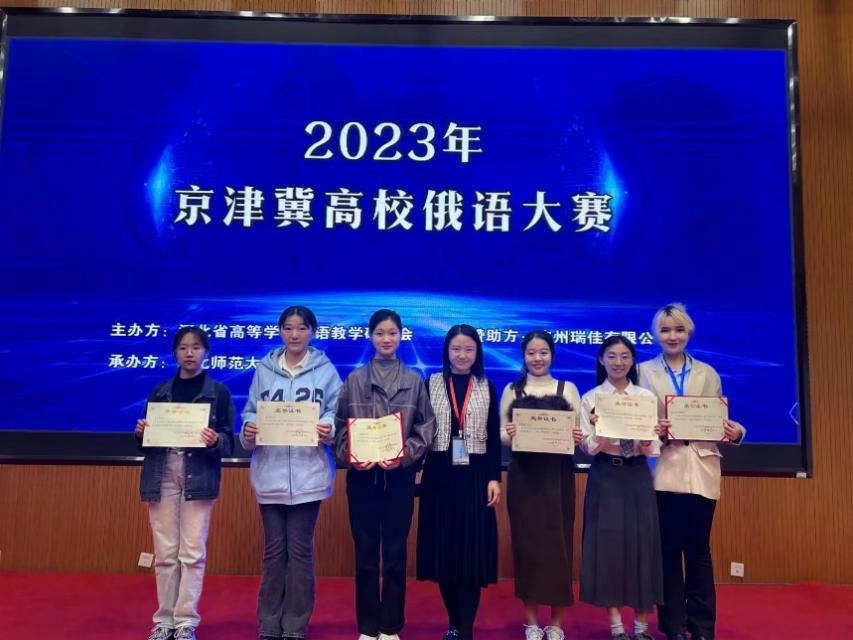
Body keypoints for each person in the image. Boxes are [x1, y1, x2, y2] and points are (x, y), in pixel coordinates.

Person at [637, 303, 746, 640]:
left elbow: (717, 420)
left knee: (698, 550)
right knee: (668, 550)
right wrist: (654, 429)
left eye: (679, 329)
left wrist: (735, 432)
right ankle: (672, 625)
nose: (672, 336)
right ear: (655, 334)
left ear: (689, 332)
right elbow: (636, 424)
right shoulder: (642, 372)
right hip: (663, 469)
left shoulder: (707, 373)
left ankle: (701, 628)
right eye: (666, 330)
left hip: (701, 468)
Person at [240, 306, 343, 640]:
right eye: (288, 327)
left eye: (301, 328)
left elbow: (336, 411)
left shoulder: (326, 370)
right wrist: (249, 429)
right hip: (269, 475)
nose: (294, 334)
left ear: (312, 331)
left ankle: (296, 626)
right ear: (280, 331)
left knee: (300, 552)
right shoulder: (264, 369)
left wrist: (328, 427)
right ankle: (269, 624)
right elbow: (250, 411)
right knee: (273, 553)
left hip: (308, 475)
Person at [334, 309, 437, 640]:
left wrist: (405, 456)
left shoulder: (414, 381)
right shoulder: (354, 380)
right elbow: (338, 427)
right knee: (365, 554)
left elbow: (426, 427)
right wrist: (351, 456)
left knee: (394, 554)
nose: (386, 339)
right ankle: (367, 626)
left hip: (399, 479)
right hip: (362, 478)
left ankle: (390, 626)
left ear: (401, 336)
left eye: (392, 333)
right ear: (371, 337)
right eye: (380, 333)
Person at [134, 326, 235, 640]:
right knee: (165, 553)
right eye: (183, 348)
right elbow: (147, 442)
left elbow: (229, 443)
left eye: (196, 347)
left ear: (206, 352)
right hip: (162, 471)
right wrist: (141, 433)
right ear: (175, 353)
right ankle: (164, 620)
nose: (189, 353)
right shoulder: (160, 392)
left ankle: (186, 621)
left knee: (192, 553)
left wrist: (215, 440)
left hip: (198, 473)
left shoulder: (218, 392)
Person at [416, 325, 502, 640]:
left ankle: (465, 630)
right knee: (444, 553)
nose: (462, 355)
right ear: (447, 352)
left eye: (468, 349)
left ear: (477, 353)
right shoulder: (431, 383)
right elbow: (420, 430)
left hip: (475, 476)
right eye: (456, 349)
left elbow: (493, 436)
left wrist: (494, 477)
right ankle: (453, 623)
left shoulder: (487, 386)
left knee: (470, 554)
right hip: (439, 475)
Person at [579, 335, 663, 640]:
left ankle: (641, 627)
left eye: (625, 356)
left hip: (637, 474)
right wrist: (601, 430)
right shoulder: (591, 399)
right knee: (607, 548)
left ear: (633, 361)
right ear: (601, 360)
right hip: (606, 474)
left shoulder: (645, 397)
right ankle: (616, 627)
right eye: (611, 356)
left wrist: (648, 438)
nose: (618, 362)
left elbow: (653, 449)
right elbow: (588, 448)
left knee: (643, 545)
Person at [500, 330, 583, 640]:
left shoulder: (567, 388)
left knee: (560, 547)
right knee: (528, 548)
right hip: (524, 476)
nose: (538, 358)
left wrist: (576, 436)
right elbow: (502, 435)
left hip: (557, 476)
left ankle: (556, 624)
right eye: (531, 353)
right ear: (523, 356)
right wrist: (510, 433)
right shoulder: (512, 390)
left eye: (543, 352)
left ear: (552, 355)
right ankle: (532, 623)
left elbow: (579, 433)